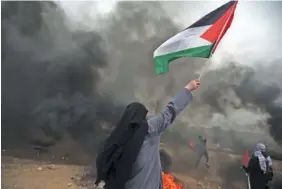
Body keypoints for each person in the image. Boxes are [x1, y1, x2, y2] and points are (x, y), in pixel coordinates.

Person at [95, 79, 200, 189]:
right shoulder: (149, 130)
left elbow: (103, 165)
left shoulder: (115, 140)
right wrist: (188, 88)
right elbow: (170, 111)